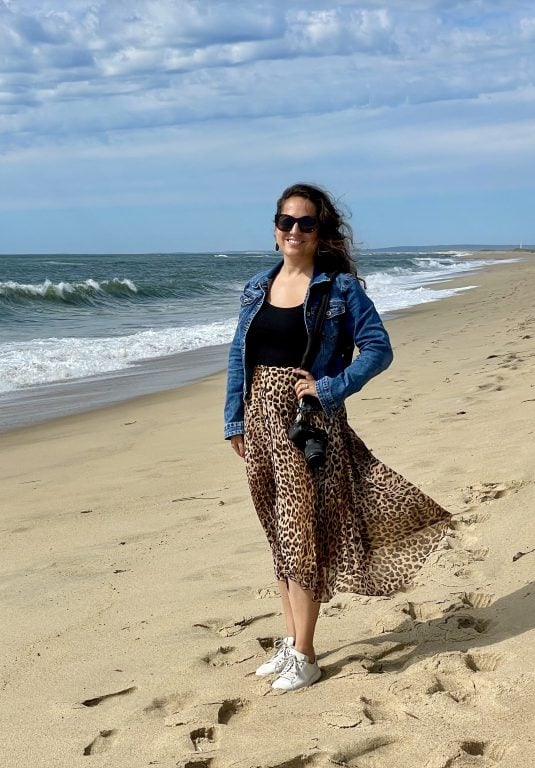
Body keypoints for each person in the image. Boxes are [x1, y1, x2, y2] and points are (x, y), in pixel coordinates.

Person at [224, 183, 450, 692]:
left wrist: (329, 388)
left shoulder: (340, 290)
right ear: (275, 227)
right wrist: (234, 419)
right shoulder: (257, 287)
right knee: (277, 532)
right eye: (286, 221)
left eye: (306, 223)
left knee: (302, 532)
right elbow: (240, 357)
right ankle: (289, 640)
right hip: (260, 422)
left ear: (321, 231)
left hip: (307, 425)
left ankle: (305, 654)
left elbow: (378, 348)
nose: (294, 231)